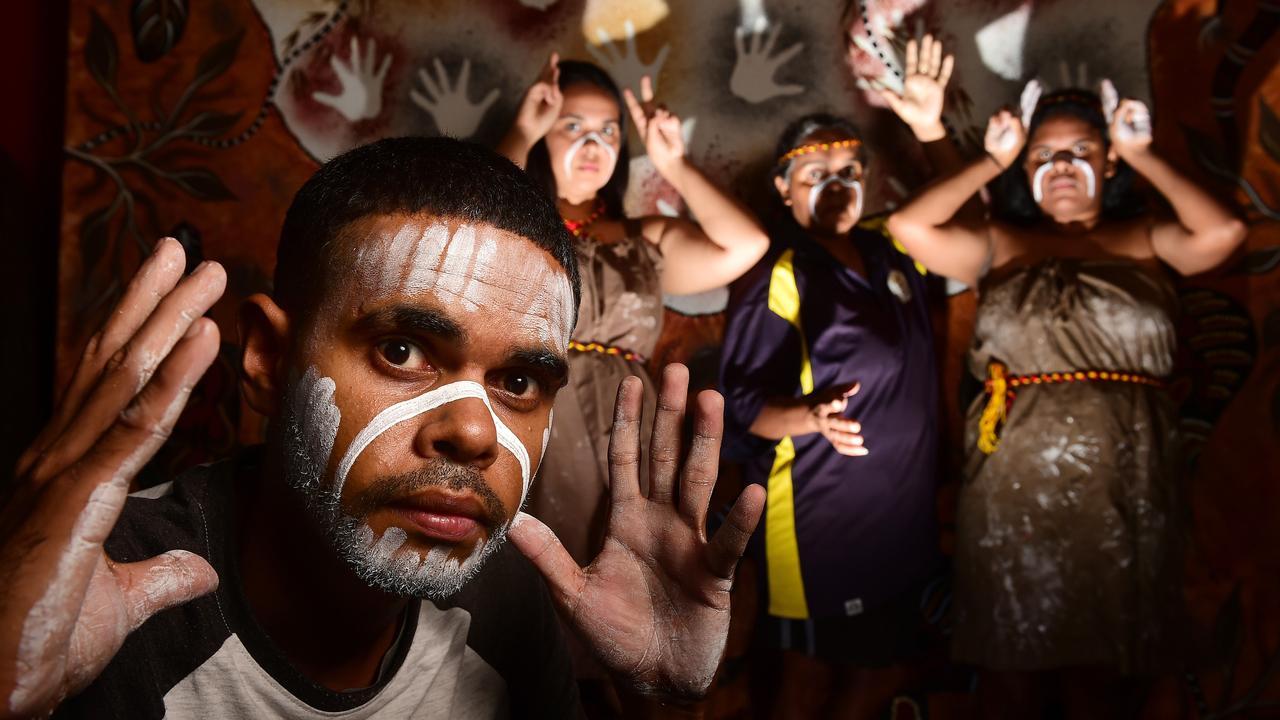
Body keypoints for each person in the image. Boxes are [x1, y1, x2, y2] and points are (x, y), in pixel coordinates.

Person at [0, 137, 766, 719]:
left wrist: (659, 704)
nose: (474, 432)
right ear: (267, 356)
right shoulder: (87, 591)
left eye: (520, 381)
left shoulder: (508, 604)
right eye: (402, 351)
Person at [887, 82, 1246, 718]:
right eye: (1044, 155)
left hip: (1126, 479)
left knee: (1108, 674)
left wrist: (1143, 154)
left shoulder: (1146, 239)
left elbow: (1224, 232)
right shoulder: (1000, 245)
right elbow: (908, 226)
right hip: (1014, 485)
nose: (1062, 167)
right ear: (1026, 168)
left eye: (1082, 150)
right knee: (1017, 663)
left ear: (1108, 163)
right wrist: (990, 162)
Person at [720, 36, 967, 720]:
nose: (837, 184)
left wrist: (932, 130)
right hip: (820, 514)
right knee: (807, 677)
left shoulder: (896, 246)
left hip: (902, 514)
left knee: (878, 669)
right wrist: (809, 418)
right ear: (782, 189)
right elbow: (740, 406)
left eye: (849, 169)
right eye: (813, 173)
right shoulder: (783, 272)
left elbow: (977, 229)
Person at [497, 55, 770, 567]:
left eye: (608, 130)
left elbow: (746, 244)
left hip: (633, 421)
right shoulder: (512, 224)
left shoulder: (644, 237)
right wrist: (520, 131)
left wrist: (674, 166)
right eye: (572, 126)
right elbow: (465, 218)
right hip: (540, 417)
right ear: (541, 130)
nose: (593, 144)